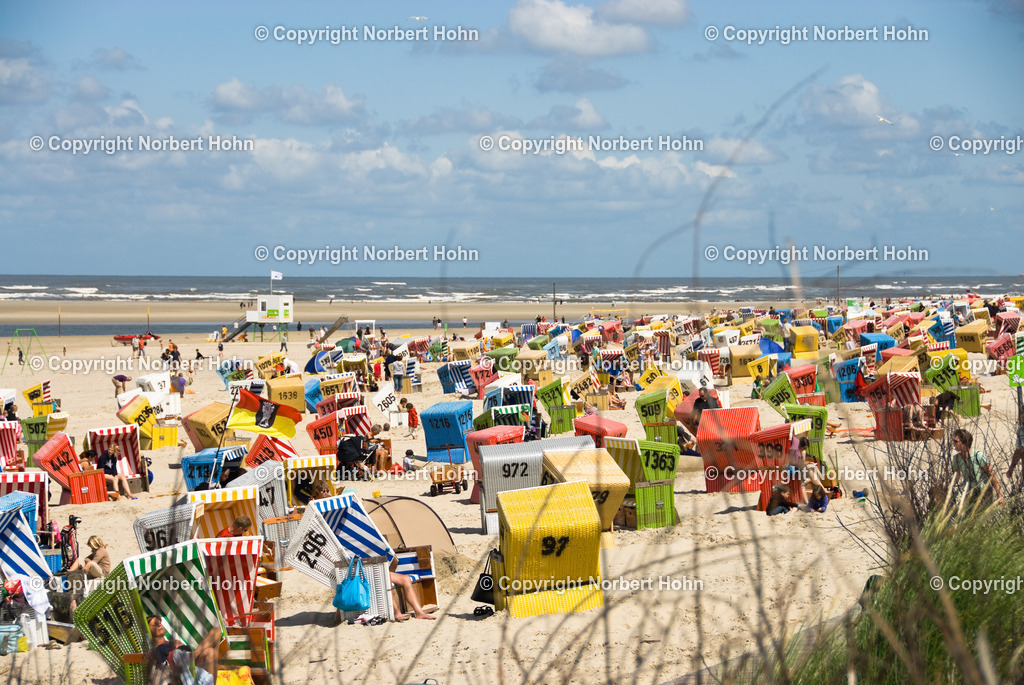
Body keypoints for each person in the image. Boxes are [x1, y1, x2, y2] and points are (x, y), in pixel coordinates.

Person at [952, 428, 1003, 504]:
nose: (953, 443)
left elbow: (991, 474)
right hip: (968, 495)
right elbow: (957, 476)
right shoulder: (956, 459)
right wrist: (950, 487)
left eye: (955, 441)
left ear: (964, 443)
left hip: (984, 494)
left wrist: (999, 494)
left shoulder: (978, 456)